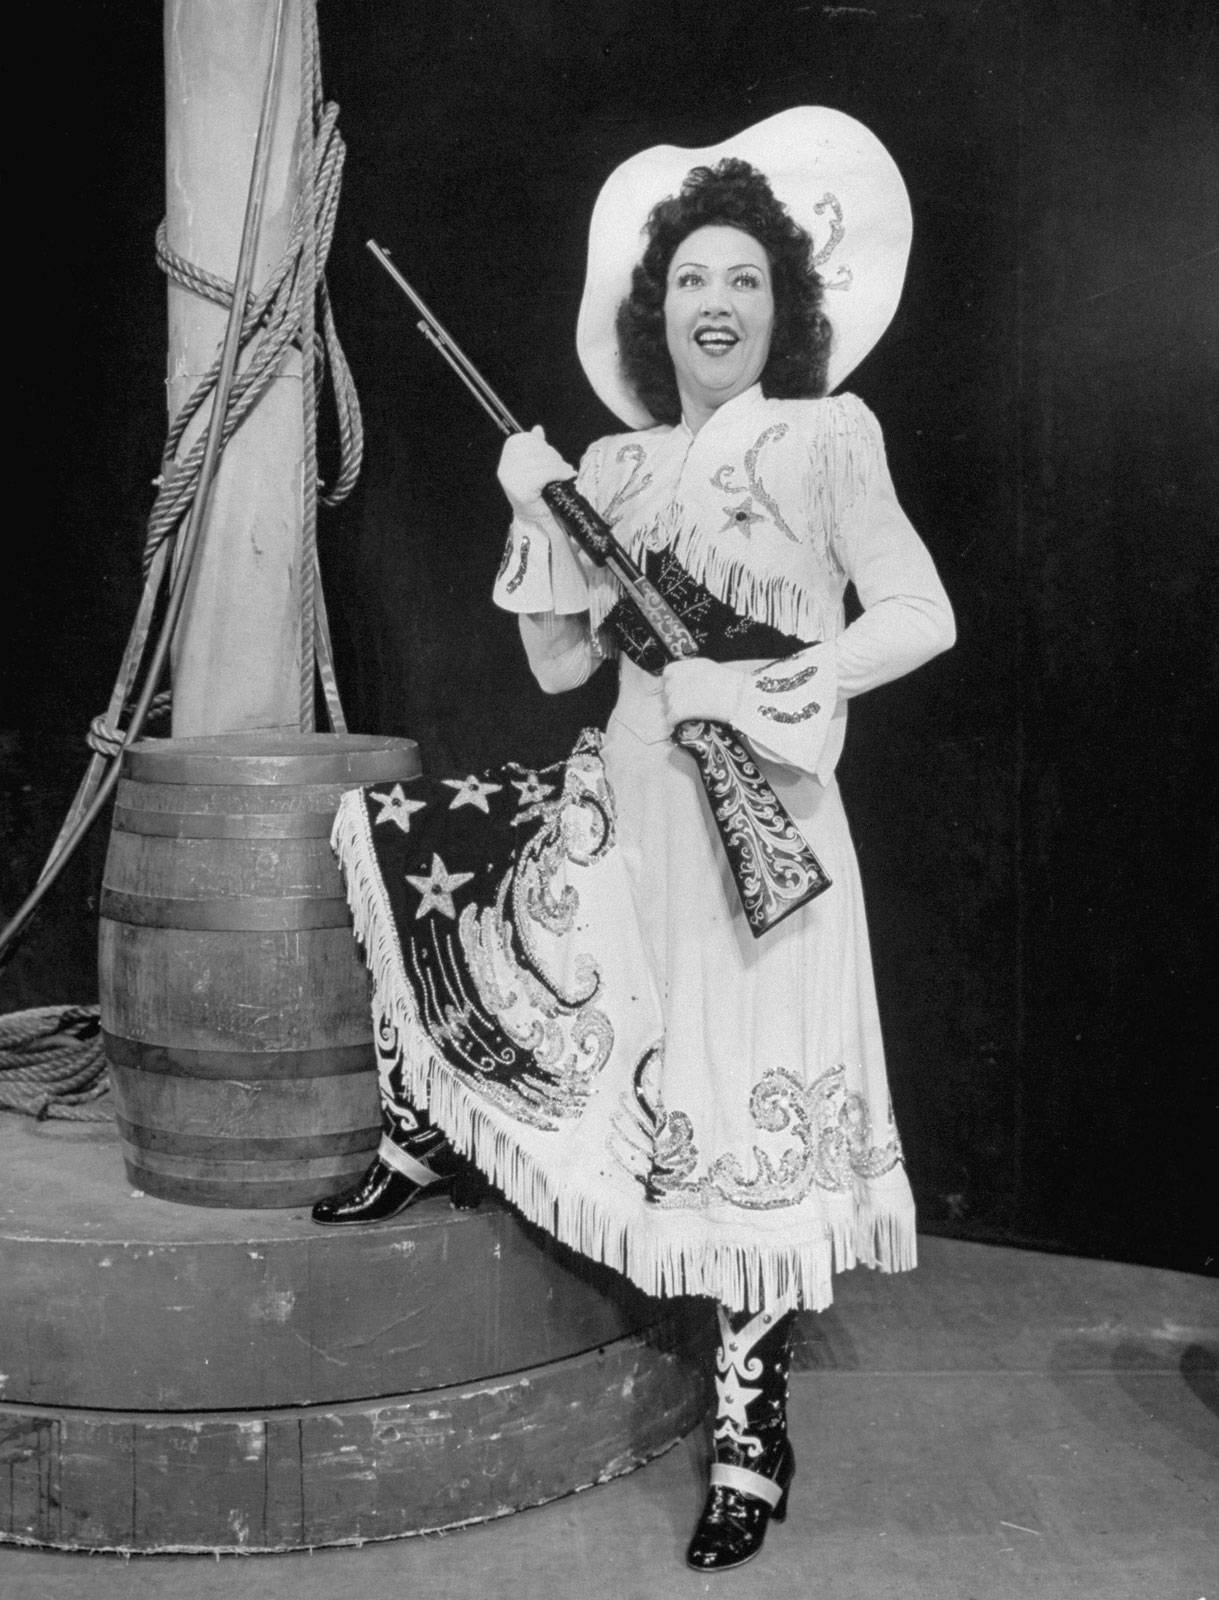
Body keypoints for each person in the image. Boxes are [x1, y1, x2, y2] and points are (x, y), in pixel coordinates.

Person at [316, 107, 955, 1574]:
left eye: (743, 278)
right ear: (652, 307)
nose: (716, 303)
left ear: (781, 306)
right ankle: (435, 1131)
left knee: (742, 1117)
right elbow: (556, 671)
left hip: (765, 824)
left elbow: (922, 614)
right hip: (631, 814)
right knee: (467, 909)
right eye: (690, 281)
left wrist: (781, 682)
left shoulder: (826, 435)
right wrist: (540, 512)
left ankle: (750, 1428)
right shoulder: (611, 463)